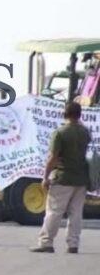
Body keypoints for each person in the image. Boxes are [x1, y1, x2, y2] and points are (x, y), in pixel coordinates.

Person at [31, 101, 92, 254]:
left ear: (64, 114)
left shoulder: (60, 133)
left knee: (54, 211)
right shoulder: (85, 132)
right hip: (81, 179)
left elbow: (53, 157)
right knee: (76, 213)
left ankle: (46, 242)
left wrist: (45, 177)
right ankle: (73, 244)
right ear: (80, 115)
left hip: (63, 177)